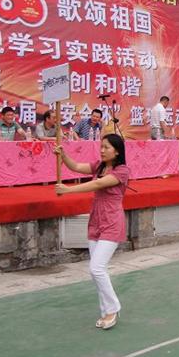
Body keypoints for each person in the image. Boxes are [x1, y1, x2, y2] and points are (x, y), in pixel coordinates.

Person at [54, 134, 130, 329]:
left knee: (96, 268)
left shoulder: (122, 171)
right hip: (96, 220)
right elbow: (76, 166)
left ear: (117, 151)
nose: (102, 150)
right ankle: (105, 311)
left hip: (112, 222)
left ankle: (113, 309)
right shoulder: (99, 166)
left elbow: (97, 184)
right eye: (101, 146)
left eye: (106, 147)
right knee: (97, 271)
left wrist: (68, 190)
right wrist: (63, 155)